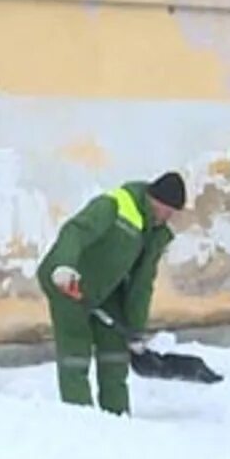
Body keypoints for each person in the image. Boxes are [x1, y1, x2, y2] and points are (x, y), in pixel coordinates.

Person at [35, 171, 187, 415]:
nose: (168, 217)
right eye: (167, 210)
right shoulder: (114, 205)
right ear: (153, 199)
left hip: (106, 289)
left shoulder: (155, 233)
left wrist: (135, 330)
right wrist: (64, 266)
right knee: (77, 352)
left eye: (173, 213)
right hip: (67, 281)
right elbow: (76, 230)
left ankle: (117, 418)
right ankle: (81, 418)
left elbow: (142, 284)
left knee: (115, 352)